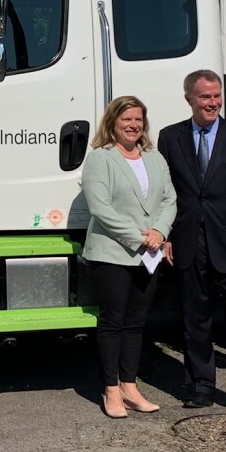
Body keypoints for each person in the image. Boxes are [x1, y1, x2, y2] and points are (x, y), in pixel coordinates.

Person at [157, 69, 226, 416]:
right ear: (189, 98)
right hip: (189, 242)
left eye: (216, 96)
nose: (213, 102)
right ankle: (200, 386)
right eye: (205, 97)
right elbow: (166, 194)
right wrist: (169, 236)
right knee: (194, 319)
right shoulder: (170, 138)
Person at [81, 96, 177, 419]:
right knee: (113, 321)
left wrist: (160, 232)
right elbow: (100, 209)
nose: (133, 125)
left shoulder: (154, 157)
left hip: (148, 253)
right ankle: (110, 389)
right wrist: (141, 237)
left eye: (138, 119)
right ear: (113, 122)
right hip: (113, 252)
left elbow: (169, 199)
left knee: (136, 323)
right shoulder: (100, 159)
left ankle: (129, 386)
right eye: (127, 120)